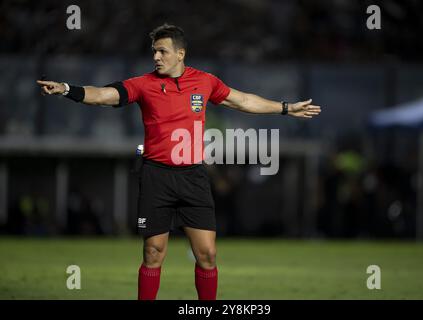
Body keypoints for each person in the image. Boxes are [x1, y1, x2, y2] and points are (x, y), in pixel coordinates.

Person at [36, 24, 321, 300]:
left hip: (192, 177)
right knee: (153, 253)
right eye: (154, 52)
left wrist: (286, 108)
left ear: (180, 54)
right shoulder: (143, 84)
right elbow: (102, 95)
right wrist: (65, 88)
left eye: (162, 51)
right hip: (155, 176)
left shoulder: (205, 81)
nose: (156, 57)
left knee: (207, 254)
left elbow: (243, 100)